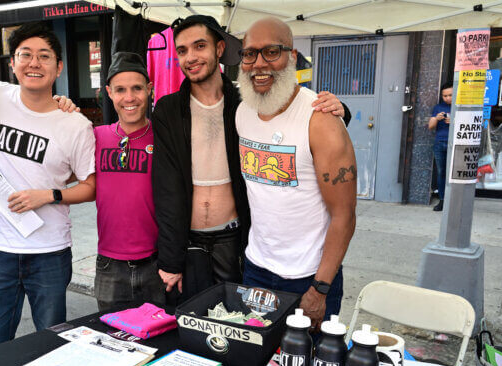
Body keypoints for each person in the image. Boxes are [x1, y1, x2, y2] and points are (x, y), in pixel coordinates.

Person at [151, 15, 345, 302]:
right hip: (188, 242)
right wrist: (169, 258)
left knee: (238, 329)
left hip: (236, 241)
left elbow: (289, 109)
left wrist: (341, 109)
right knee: (193, 328)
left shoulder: (246, 104)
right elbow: (166, 189)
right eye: (182, 51)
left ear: (219, 49)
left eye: (199, 46)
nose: (190, 57)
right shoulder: (167, 110)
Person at [0, 23, 95, 349]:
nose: (34, 63)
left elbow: (90, 186)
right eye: (25, 55)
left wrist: (49, 195)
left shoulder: (76, 125)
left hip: (50, 253)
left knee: (52, 346)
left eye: (44, 56)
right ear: (12, 63)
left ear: (59, 66)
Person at [236, 17, 357, 330]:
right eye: (249, 53)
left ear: (291, 56)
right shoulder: (243, 112)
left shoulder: (321, 121)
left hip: (309, 279)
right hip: (256, 269)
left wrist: (321, 288)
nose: (259, 64)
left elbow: (344, 215)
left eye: (271, 52)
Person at [93, 52, 165, 312]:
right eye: (120, 90)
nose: (129, 98)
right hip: (109, 264)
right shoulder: (95, 137)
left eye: (137, 88)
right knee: (112, 343)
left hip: (157, 264)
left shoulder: (164, 138)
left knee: (160, 345)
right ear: (109, 92)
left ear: (149, 90)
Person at [428, 82, 453, 212]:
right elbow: (430, 126)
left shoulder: (460, 107)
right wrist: (436, 119)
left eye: (450, 95)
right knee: (441, 172)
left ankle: (453, 201)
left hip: (454, 144)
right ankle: (442, 200)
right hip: (440, 143)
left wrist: (454, 121)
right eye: (445, 96)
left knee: (453, 173)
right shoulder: (438, 107)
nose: (448, 98)